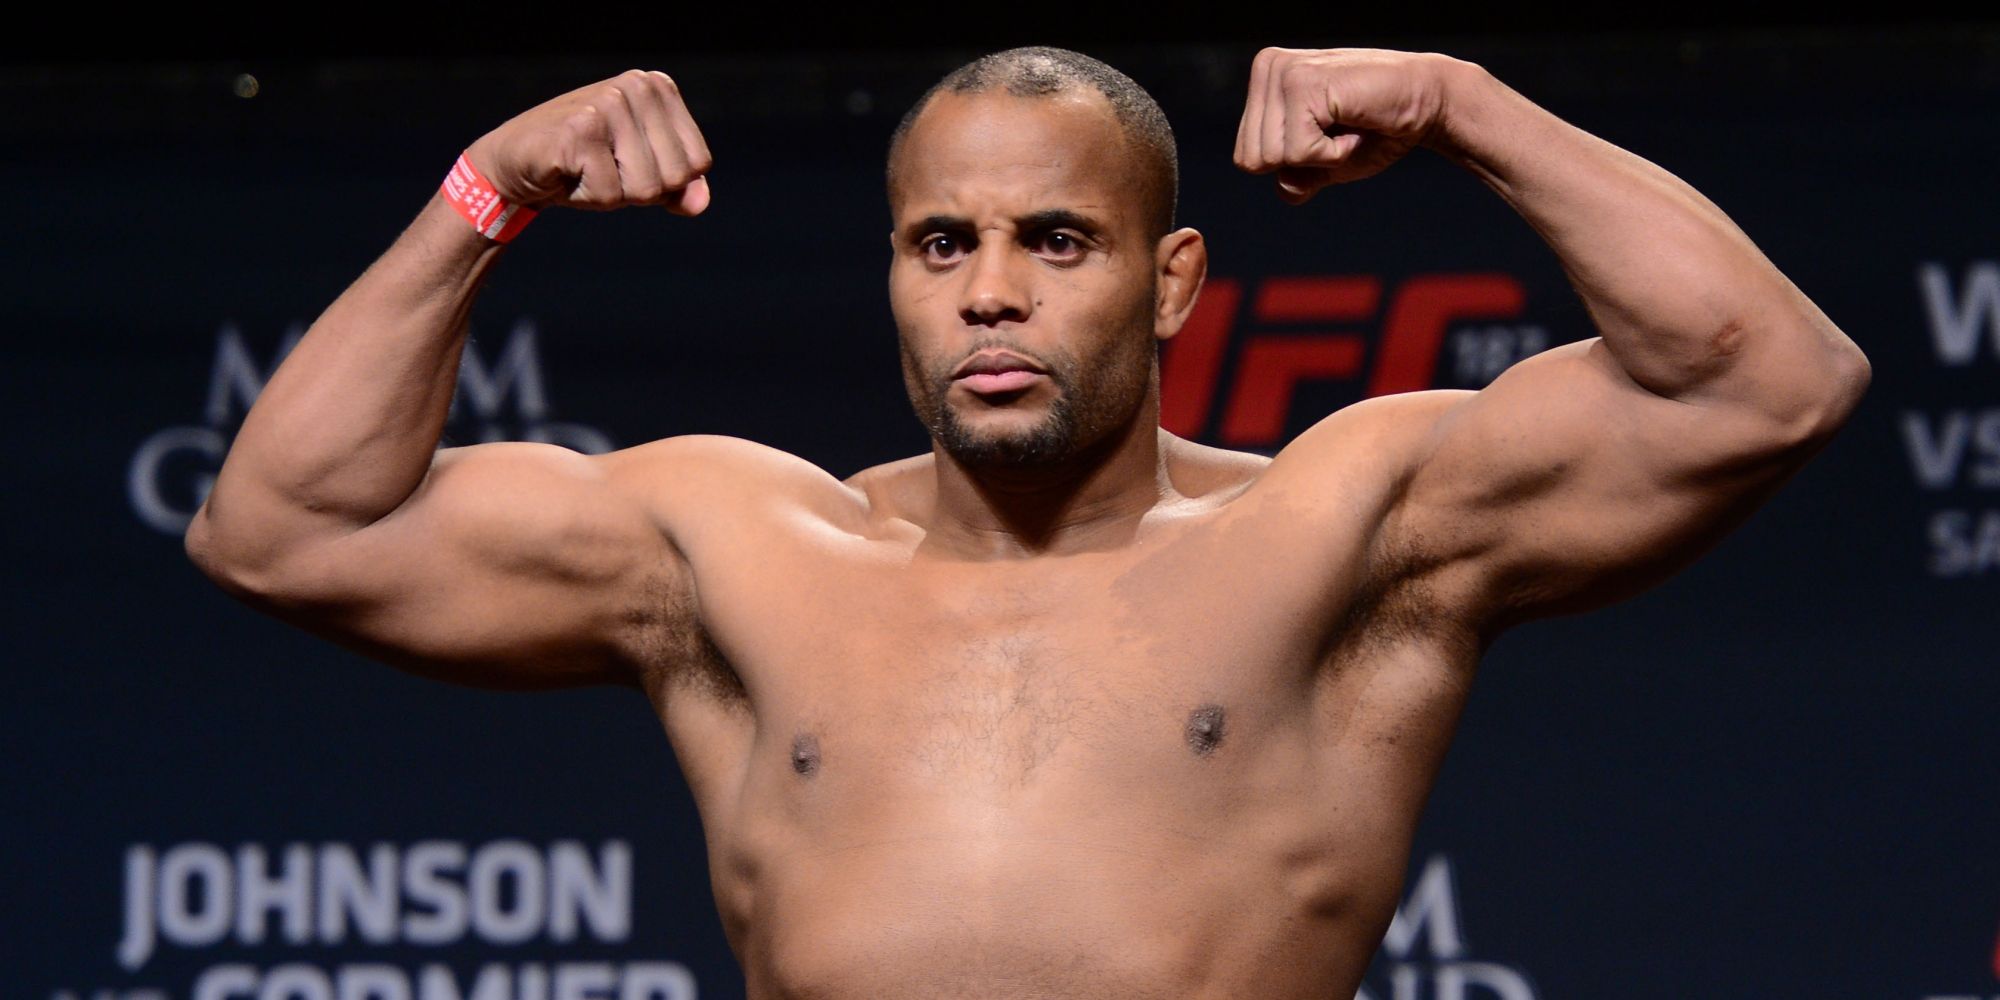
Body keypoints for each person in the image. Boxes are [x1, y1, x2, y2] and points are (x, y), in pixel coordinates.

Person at [185, 44, 1869, 999]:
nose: (992, 293)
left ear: (1173, 282)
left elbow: (1762, 382)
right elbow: (285, 527)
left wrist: (1465, 106)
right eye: (944, 246)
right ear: (898, 281)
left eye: (1058, 242)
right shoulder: (739, 548)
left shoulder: (1341, 531)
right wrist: (491, 190)